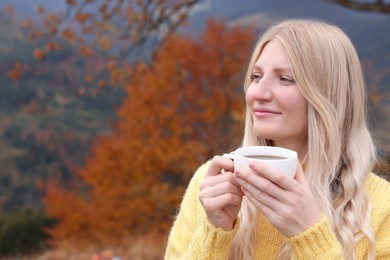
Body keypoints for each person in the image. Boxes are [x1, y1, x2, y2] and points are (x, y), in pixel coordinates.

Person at [164, 19, 390, 259]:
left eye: (285, 78)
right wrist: (215, 232)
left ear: (328, 95)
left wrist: (309, 234)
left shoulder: (382, 207)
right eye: (256, 76)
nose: (258, 93)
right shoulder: (212, 186)